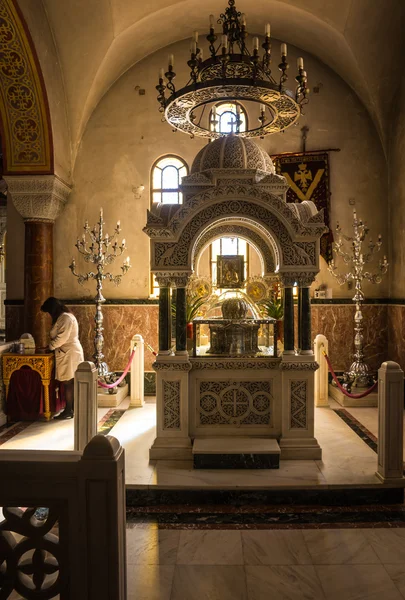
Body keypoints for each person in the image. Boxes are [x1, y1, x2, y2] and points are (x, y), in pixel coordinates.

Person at [40, 297, 84, 419]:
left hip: (69, 353)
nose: (49, 315)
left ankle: (69, 410)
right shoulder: (63, 317)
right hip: (67, 352)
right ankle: (71, 408)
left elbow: (62, 338)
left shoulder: (65, 318)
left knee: (68, 382)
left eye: (49, 312)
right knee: (69, 382)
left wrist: (50, 346)